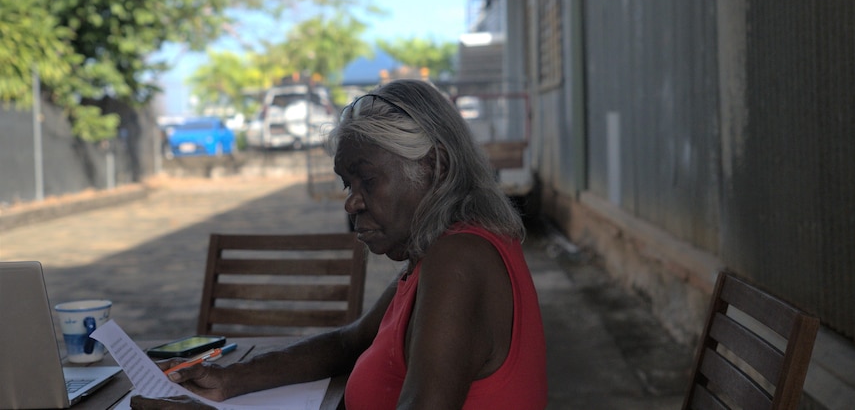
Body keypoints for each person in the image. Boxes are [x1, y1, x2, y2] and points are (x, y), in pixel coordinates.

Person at [131, 79, 547, 409]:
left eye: (367, 179)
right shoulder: (440, 251)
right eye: (348, 183)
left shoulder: (460, 259)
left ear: (434, 166)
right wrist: (229, 379)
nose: (351, 201)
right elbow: (349, 343)